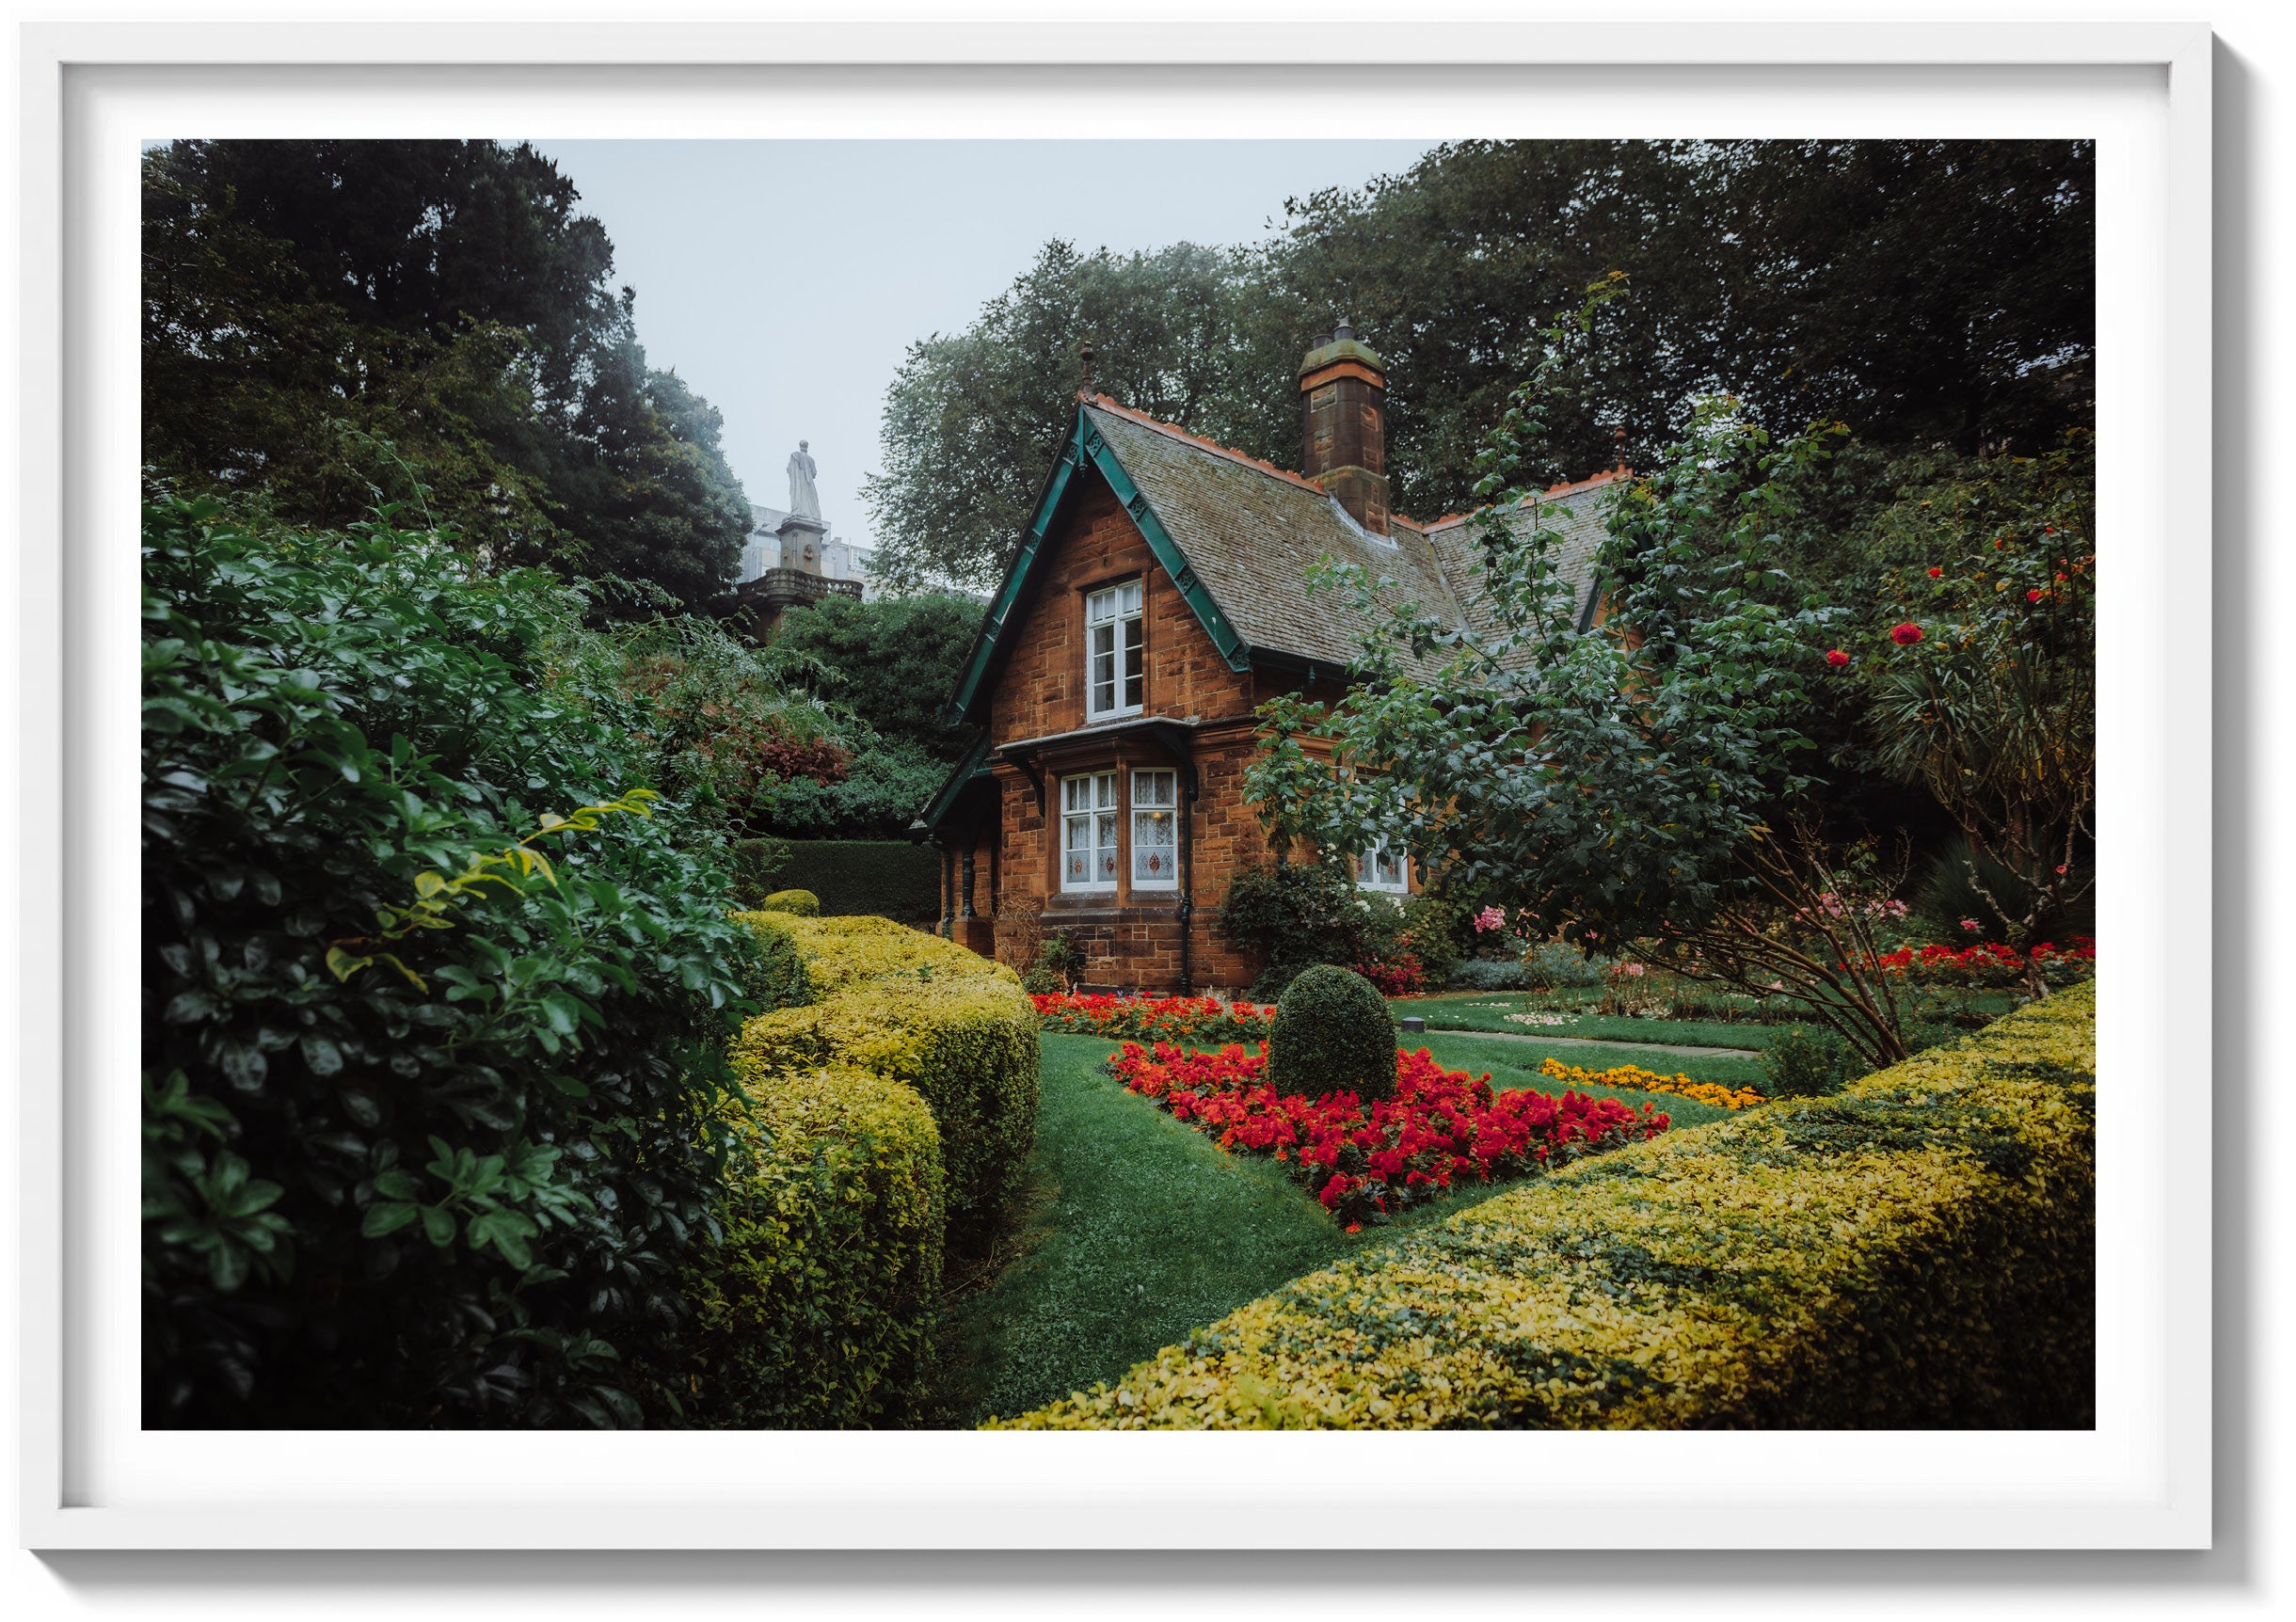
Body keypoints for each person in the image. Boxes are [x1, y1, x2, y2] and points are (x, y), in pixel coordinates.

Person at [786, 440, 821, 519]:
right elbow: (814, 473)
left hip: (798, 482)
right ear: (807, 447)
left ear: (800, 446)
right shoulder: (811, 460)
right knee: (810, 499)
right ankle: (807, 512)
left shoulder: (795, 455)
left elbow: (789, 469)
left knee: (800, 495)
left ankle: (800, 510)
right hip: (809, 484)